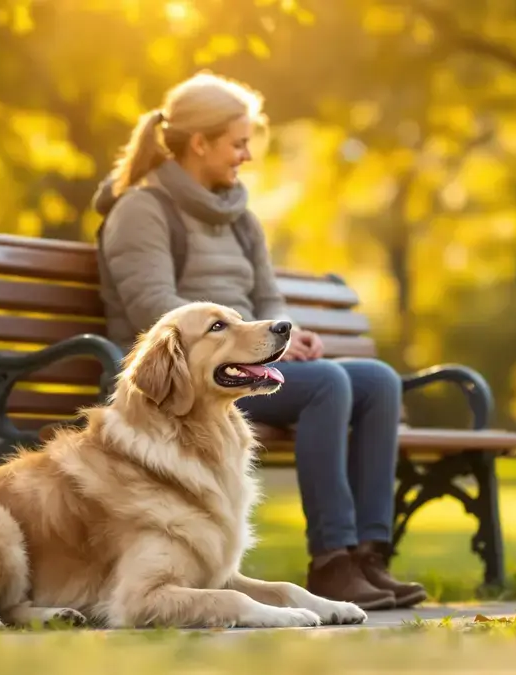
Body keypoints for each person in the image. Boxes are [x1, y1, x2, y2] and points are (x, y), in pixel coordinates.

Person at [90, 72, 426, 611]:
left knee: (378, 382)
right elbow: (153, 310)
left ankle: (369, 557)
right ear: (199, 142)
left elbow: (269, 298)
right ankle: (332, 561)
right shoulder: (142, 210)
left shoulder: (239, 218)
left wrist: (282, 335)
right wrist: (251, 340)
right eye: (238, 143)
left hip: (240, 361)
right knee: (327, 385)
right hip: (184, 376)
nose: (247, 155)